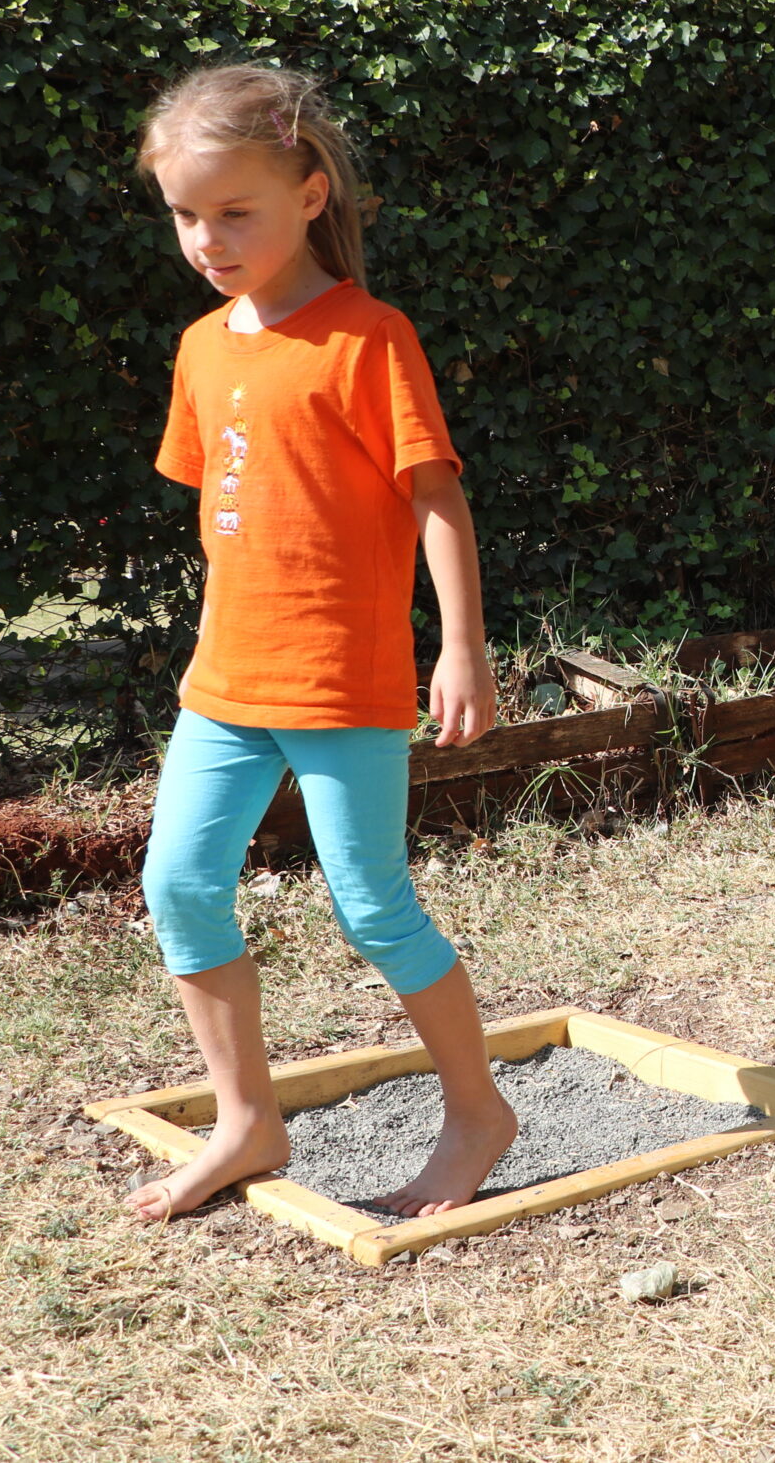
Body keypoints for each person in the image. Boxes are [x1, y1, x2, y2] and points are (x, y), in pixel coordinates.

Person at [126, 63, 517, 1223]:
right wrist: (212, 655)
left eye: (233, 211)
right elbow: (228, 518)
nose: (207, 238)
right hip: (225, 686)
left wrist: (462, 650)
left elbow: (436, 498)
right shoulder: (202, 347)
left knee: (372, 906)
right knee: (179, 886)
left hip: (342, 682)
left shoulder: (367, 336)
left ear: (308, 191)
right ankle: (246, 1122)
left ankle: (478, 1110)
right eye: (186, 215)